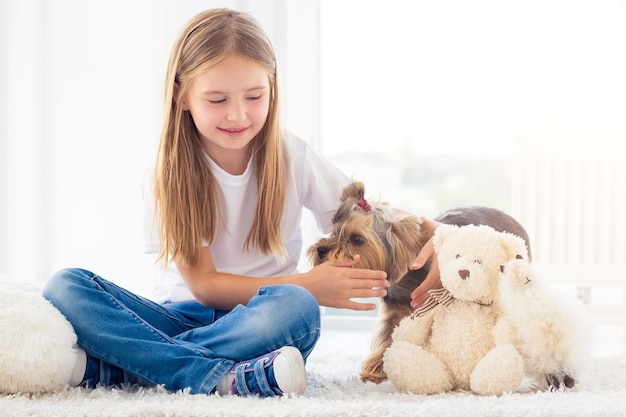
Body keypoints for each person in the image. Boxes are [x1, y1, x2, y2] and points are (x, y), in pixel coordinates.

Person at [42, 8, 392, 397]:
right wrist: (310, 283)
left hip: (260, 322)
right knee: (65, 286)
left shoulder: (292, 156)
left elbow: (366, 217)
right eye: (217, 99)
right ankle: (227, 378)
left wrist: (434, 234)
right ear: (182, 94)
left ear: (272, 88)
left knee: (297, 307)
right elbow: (206, 286)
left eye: (254, 96)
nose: (237, 114)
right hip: (180, 318)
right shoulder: (171, 173)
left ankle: (133, 369)